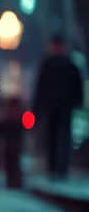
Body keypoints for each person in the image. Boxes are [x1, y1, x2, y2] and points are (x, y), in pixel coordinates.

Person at [33, 34, 84, 180]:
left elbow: (40, 87)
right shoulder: (61, 64)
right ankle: (57, 168)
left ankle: (57, 168)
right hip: (58, 106)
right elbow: (41, 87)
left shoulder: (55, 64)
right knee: (58, 137)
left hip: (59, 106)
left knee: (58, 137)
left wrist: (37, 106)